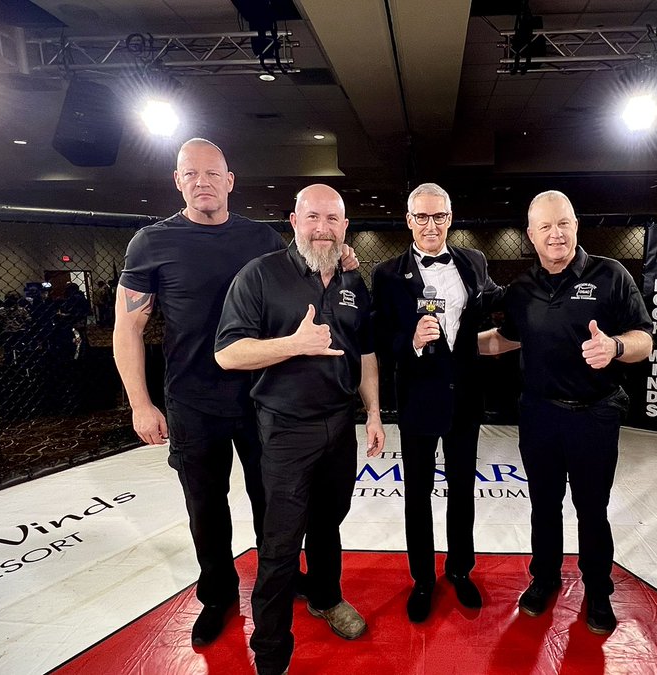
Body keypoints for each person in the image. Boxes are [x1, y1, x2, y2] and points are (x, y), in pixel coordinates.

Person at [115, 139, 353, 648]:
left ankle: (284, 581)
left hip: (261, 398)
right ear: (178, 181)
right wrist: (140, 402)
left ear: (230, 180)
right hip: (192, 401)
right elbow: (127, 328)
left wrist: (342, 252)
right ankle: (219, 594)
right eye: (190, 174)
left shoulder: (262, 239)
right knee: (206, 506)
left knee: (277, 504)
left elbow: (312, 264)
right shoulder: (151, 242)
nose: (202, 182)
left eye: (212, 173)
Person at [215, 184, 384, 675]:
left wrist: (372, 412)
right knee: (281, 541)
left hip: (340, 424)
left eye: (332, 220)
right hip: (285, 428)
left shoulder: (353, 281)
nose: (322, 229)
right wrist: (292, 344)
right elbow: (227, 353)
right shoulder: (261, 275)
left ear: (345, 226)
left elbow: (367, 352)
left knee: (329, 521)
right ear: (294, 221)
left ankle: (327, 598)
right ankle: (271, 654)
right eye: (312, 218)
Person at [478, 190, 652, 635]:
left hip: (594, 414)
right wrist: (449, 345)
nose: (556, 234)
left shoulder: (611, 275)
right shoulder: (522, 289)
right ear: (531, 236)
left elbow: (644, 340)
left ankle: (597, 589)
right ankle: (545, 579)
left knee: (592, 508)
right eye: (546, 227)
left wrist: (614, 347)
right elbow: (505, 339)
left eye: (564, 223)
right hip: (538, 413)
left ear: (576, 225)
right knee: (543, 505)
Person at [370, 182, 502, 623]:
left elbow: (492, 305)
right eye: (422, 217)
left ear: (450, 217)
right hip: (417, 398)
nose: (431, 225)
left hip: (465, 397)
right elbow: (377, 337)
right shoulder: (388, 274)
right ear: (409, 220)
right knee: (418, 494)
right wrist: (408, 338)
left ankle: (460, 571)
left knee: (463, 490)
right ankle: (423, 579)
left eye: (439, 216)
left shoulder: (474, 261)